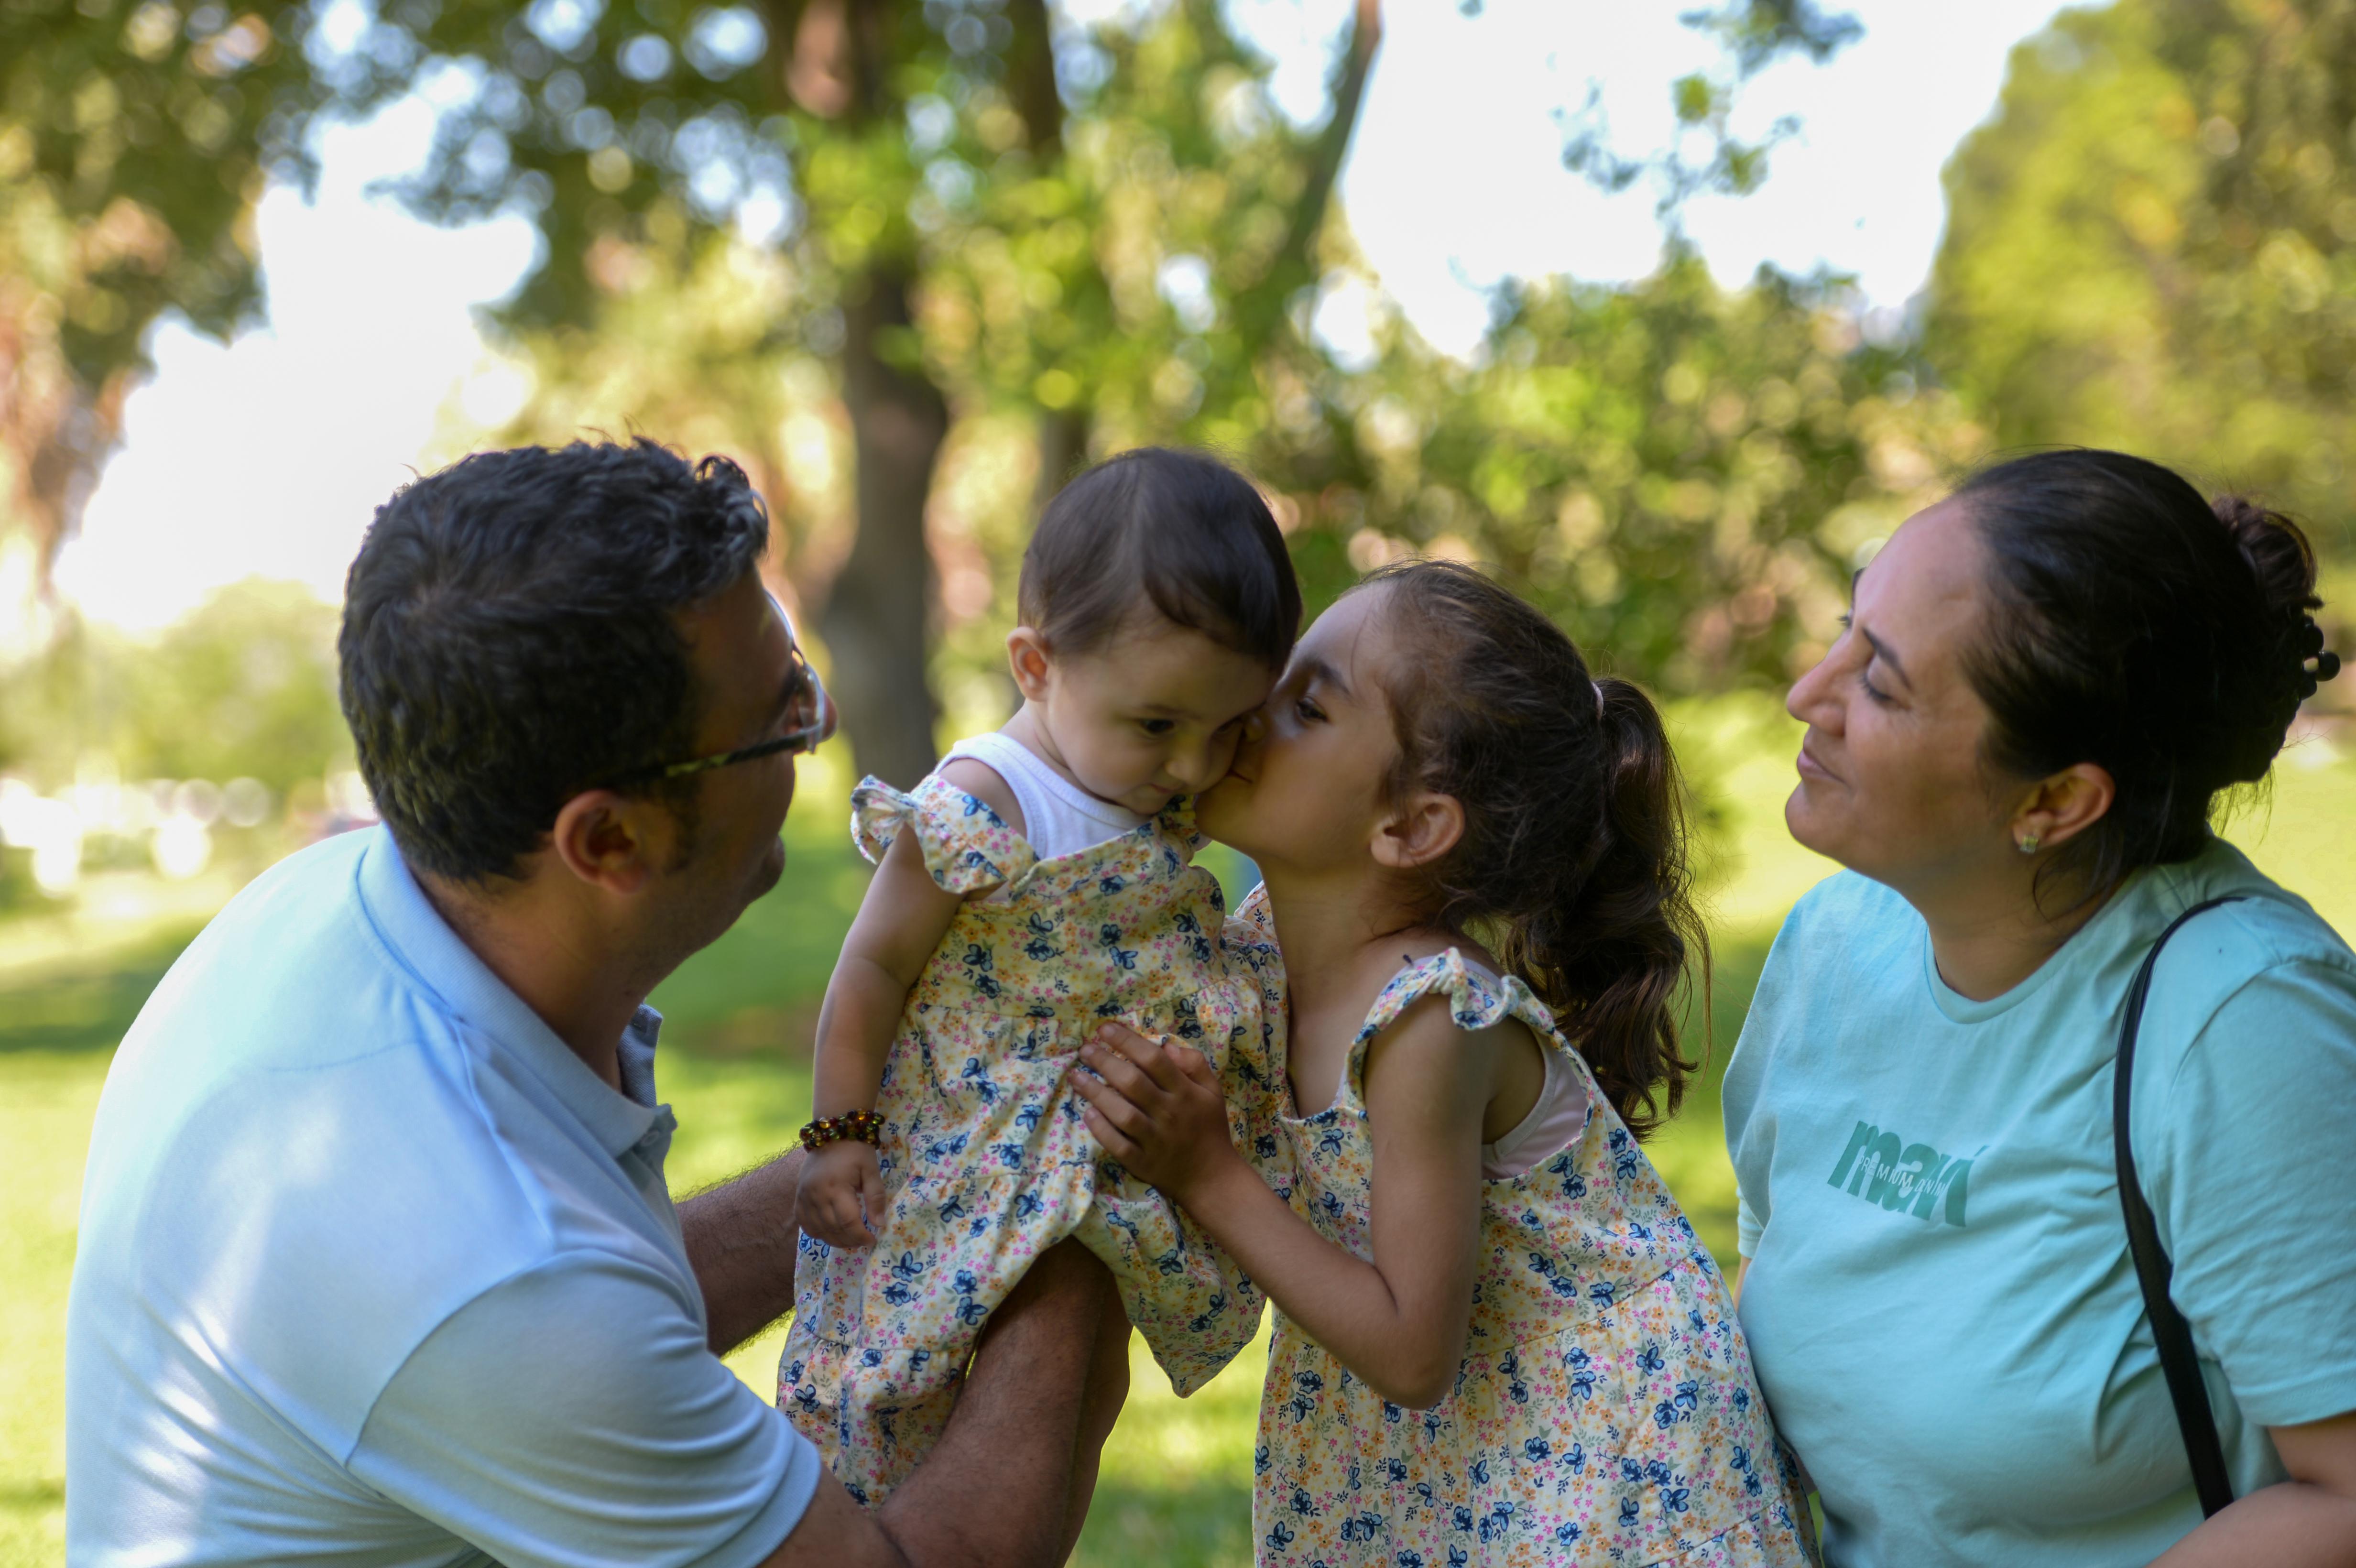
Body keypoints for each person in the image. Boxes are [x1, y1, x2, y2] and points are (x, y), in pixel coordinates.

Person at [64, 441, 1133, 1568]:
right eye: (783, 717)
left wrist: (950, 1145)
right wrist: (1075, 1224)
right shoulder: (484, 1266)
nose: (817, 736)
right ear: (608, 839)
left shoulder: (331, 912)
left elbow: (603, 1289)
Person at [1071, 561, 1818, 1567]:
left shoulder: (1430, 1016)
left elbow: (1413, 1350)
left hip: (1605, 1460)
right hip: (1474, 1449)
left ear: (1412, 825)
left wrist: (1206, 1171)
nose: (1251, 711)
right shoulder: (1260, 949)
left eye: (1308, 705)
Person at [1722, 449, 2356, 1566]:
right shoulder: (1832, 943)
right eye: (1846, 628)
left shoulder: (2242, 1024)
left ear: (2055, 799)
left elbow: (2345, 1492)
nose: (1805, 695)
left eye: (1879, 682)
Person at [781, 447, 1297, 1503]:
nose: (1194, 768)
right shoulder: (987, 798)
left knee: (1070, 1393)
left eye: (1228, 727)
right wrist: (841, 1133)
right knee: (890, 1386)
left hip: (1089, 1169)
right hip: (958, 1155)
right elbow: (872, 968)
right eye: (1158, 724)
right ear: (1035, 665)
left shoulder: (1156, 783)